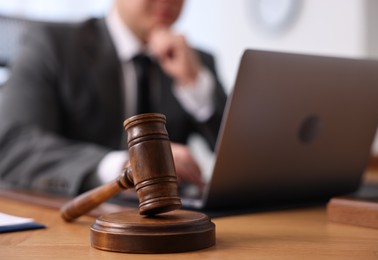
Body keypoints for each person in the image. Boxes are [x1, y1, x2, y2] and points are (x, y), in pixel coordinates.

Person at [0, 0, 226, 197]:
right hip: (74, 218)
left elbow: (235, 155)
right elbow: (13, 146)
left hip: (169, 225)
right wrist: (128, 168)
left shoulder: (196, 63)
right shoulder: (52, 43)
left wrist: (194, 84)